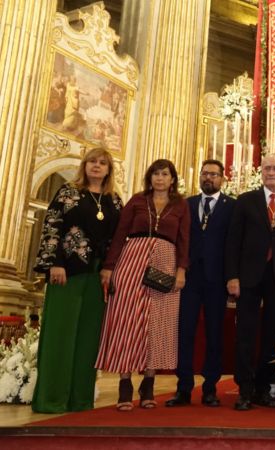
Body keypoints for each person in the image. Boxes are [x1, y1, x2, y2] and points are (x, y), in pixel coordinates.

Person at [32, 147, 123, 413]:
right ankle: (52, 399)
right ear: (84, 166)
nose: (97, 166)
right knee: (61, 335)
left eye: (102, 163)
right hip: (67, 273)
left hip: (98, 277)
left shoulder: (115, 200)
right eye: (92, 162)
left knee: (87, 339)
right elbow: (52, 226)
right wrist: (56, 263)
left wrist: (112, 268)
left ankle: (80, 400)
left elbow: (119, 239)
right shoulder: (68, 192)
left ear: (108, 169)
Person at [95, 159, 190, 411]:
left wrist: (181, 270)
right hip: (131, 261)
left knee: (159, 322)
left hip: (165, 264)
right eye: (155, 174)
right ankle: (124, 386)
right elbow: (119, 234)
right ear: (150, 178)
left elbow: (184, 240)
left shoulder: (181, 205)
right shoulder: (137, 200)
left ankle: (148, 385)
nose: (160, 178)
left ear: (172, 179)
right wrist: (109, 266)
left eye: (165, 174)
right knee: (127, 319)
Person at [226, 154, 275, 411]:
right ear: (261, 172)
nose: (272, 172)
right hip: (248, 277)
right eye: (268, 168)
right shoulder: (245, 201)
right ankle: (245, 390)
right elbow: (233, 242)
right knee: (246, 335)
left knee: (272, 335)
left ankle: (263, 388)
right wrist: (232, 276)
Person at [165, 160, 236, 408]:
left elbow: (233, 245)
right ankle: (183, 388)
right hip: (188, 279)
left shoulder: (232, 207)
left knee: (214, 334)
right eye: (205, 174)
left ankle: (210, 388)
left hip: (217, 280)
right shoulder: (186, 204)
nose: (209, 178)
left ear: (222, 179)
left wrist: (231, 277)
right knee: (185, 332)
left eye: (214, 175)